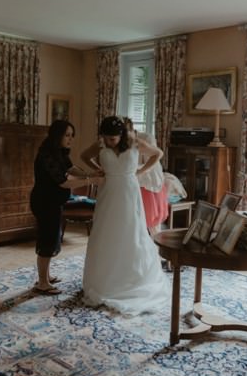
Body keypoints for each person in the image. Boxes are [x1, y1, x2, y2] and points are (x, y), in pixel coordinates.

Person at [80, 116, 170, 313]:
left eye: (113, 138)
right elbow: (84, 156)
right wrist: (98, 169)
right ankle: (104, 282)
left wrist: (141, 170)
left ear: (121, 135)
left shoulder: (134, 142)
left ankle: (132, 280)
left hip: (129, 190)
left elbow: (158, 153)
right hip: (108, 191)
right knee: (106, 233)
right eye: (106, 137)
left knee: (131, 232)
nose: (109, 141)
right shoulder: (101, 144)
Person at [30, 120, 101, 295]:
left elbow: (71, 168)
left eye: (72, 135)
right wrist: (91, 180)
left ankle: (45, 276)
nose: (70, 139)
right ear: (57, 135)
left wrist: (89, 173)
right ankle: (42, 284)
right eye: (67, 135)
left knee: (51, 238)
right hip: (45, 202)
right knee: (47, 242)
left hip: (53, 202)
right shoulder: (47, 155)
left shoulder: (58, 152)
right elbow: (63, 182)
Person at [135, 132, 169, 234]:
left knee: (151, 219)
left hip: (149, 184)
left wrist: (139, 171)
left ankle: (154, 239)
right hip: (140, 182)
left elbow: (156, 156)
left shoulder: (146, 138)